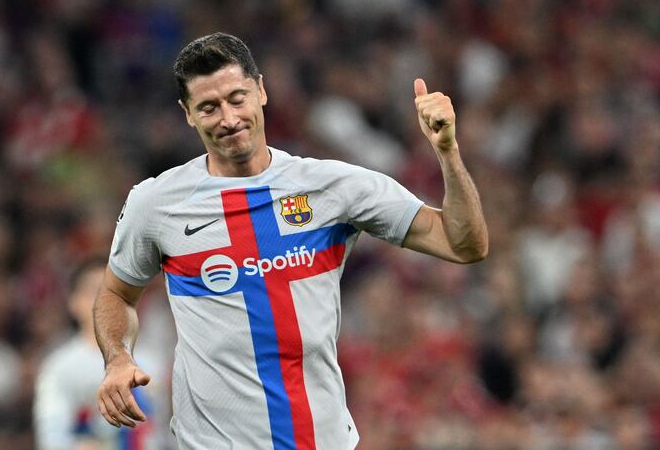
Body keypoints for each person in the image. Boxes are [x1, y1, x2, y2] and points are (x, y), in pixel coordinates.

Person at [94, 32, 488, 449]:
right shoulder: (156, 203)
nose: (228, 119)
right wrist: (118, 358)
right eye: (208, 107)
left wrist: (447, 153)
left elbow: (463, 244)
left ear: (261, 90)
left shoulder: (333, 186)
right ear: (187, 114)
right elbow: (116, 294)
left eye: (237, 98)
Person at [34, 258, 153, 450]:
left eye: (114, 291)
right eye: (94, 291)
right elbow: (52, 439)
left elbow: (163, 433)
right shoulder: (58, 368)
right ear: (74, 302)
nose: (105, 300)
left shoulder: (152, 362)